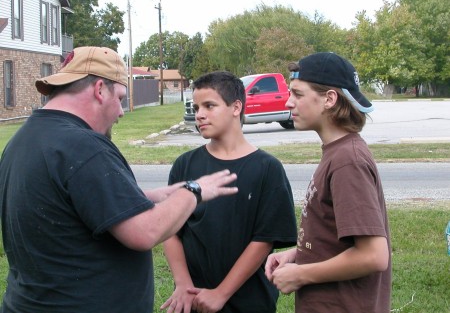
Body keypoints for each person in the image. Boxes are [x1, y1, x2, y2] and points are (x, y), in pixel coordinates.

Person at [0, 46, 238, 313]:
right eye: (121, 98)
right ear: (100, 89)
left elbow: (74, 205)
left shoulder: (25, 139)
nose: (122, 112)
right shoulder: (83, 146)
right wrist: (194, 190)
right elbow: (144, 233)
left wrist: (152, 197)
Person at [265, 52, 392, 313]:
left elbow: (373, 255)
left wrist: (301, 274)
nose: (289, 102)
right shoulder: (338, 152)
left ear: (329, 99)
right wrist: (298, 254)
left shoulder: (348, 161)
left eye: (298, 94)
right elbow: (334, 239)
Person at [161, 71, 297, 313]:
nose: (199, 114)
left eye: (209, 105)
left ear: (236, 107)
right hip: (193, 298)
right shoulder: (185, 165)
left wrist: (221, 293)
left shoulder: (267, 168)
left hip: (249, 301)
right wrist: (183, 285)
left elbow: (264, 239)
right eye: (196, 106)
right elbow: (170, 230)